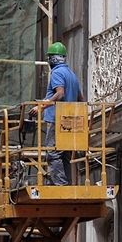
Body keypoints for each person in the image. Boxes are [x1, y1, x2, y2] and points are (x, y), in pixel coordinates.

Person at [30, 41, 84, 185]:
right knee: (65, 154)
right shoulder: (71, 74)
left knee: (53, 153)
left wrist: (41, 106)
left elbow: (60, 93)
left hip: (57, 119)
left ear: (53, 59)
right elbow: (81, 99)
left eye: (49, 58)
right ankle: (67, 183)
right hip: (70, 121)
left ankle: (61, 185)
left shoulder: (57, 73)